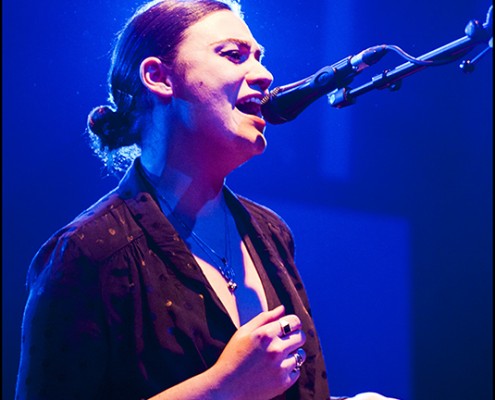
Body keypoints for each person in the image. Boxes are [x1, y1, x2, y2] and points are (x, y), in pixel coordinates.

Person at [15, 1, 400, 399]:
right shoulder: (89, 252)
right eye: (233, 55)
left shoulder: (270, 234)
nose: (265, 75)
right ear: (159, 77)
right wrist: (222, 388)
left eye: (259, 58)